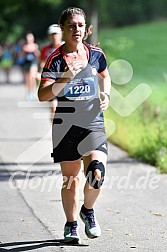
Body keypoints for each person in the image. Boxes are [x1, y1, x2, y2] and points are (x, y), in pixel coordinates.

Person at [38, 7, 111, 244]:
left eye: (80, 25)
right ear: (63, 29)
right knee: (71, 180)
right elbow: (43, 95)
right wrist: (65, 78)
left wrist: (106, 95)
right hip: (65, 125)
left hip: (93, 122)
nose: (76, 29)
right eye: (71, 25)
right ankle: (71, 225)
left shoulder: (96, 54)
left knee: (96, 173)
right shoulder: (55, 59)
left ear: (86, 28)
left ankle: (87, 211)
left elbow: (105, 75)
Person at [39, 24, 63, 121]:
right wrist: (39, 73)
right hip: (51, 81)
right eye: (52, 34)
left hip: (65, 81)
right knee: (53, 107)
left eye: (56, 34)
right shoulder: (45, 49)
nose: (54, 37)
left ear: (61, 34)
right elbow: (41, 63)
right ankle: (54, 129)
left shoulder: (65, 47)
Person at [22, 32, 40, 100]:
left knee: (32, 77)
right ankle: (28, 93)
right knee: (27, 79)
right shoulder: (24, 46)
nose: (29, 39)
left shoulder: (35, 46)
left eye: (30, 37)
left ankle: (33, 92)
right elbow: (20, 55)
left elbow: (38, 54)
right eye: (28, 37)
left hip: (33, 63)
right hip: (26, 63)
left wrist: (36, 51)